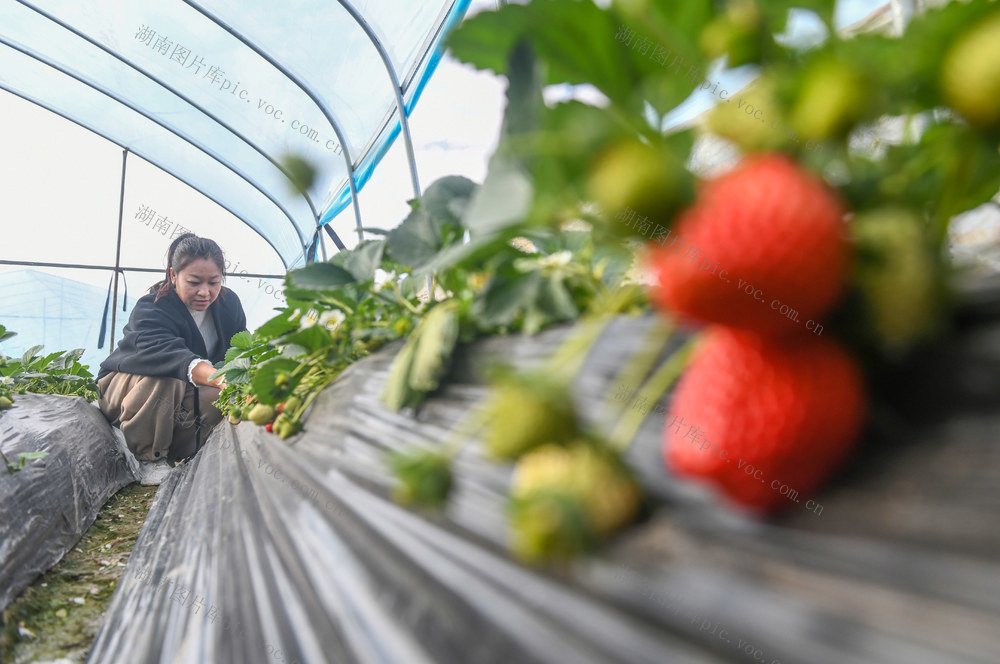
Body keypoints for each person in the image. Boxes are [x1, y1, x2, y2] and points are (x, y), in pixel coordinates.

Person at [97, 233, 247, 463]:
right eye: (194, 282)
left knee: (222, 398)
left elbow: (237, 352)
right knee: (168, 376)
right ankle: (148, 457)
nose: (205, 292)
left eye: (214, 282)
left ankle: (177, 450)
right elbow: (172, 357)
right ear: (173, 276)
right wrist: (222, 378)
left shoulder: (229, 305)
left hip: (177, 396)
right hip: (126, 391)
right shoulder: (153, 307)